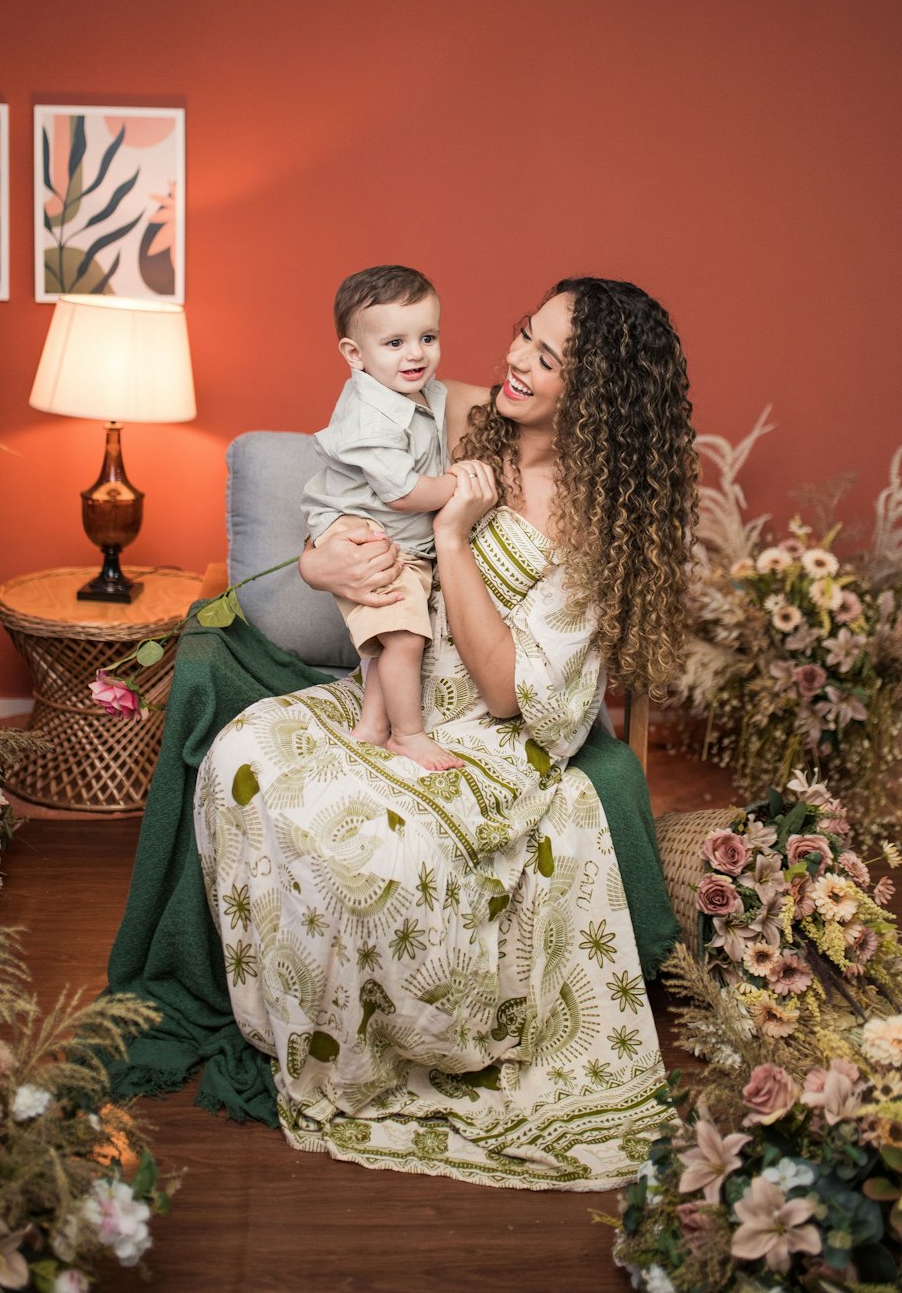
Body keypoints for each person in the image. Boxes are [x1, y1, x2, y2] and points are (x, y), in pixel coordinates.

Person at [192, 276, 696, 1190]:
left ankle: (387, 1051)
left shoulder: (593, 515)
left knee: (363, 847)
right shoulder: (464, 413)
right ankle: (292, 1020)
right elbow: (346, 489)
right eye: (521, 334)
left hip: (482, 737)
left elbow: (510, 696)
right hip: (392, 677)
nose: (516, 360)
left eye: (549, 358)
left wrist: (457, 539)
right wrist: (320, 558)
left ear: (600, 395)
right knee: (245, 753)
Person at [301, 265, 466, 771]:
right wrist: (458, 484)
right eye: (394, 342)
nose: (416, 353)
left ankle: (373, 726)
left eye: (428, 336)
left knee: (396, 628)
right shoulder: (370, 415)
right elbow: (402, 493)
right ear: (355, 354)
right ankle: (407, 734)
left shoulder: (422, 393)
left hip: (397, 540)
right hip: (358, 532)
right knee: (404, 635)